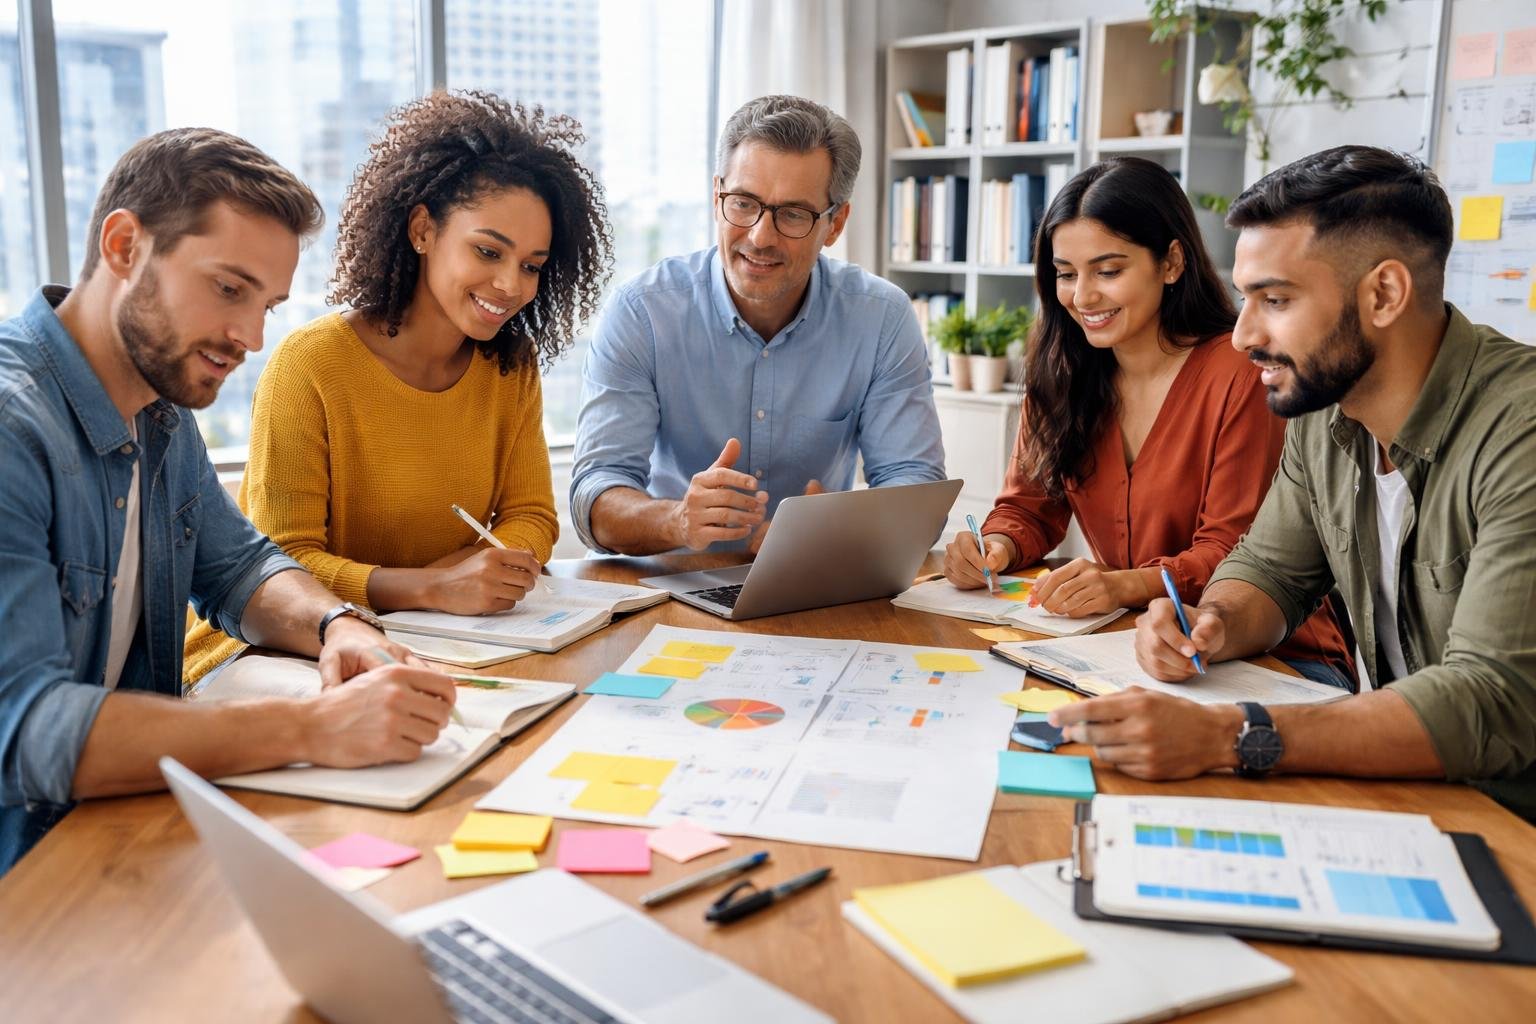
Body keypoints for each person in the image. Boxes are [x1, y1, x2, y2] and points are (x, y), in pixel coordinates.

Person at [0, 128, 457, 875]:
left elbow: (240, 568)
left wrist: (337, 626)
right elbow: (25, 733)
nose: (248, 336)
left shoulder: (160, 408)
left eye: (268, 305)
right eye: (228, 288)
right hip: (32, 880)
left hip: (139, 832)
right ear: (124, 247)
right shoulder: (12, 427)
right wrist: (312, 728)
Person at [1049, 146, 1536, 819]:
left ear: (1384, 294)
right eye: (1247, 299)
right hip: (1424, 794)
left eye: (1275, 299)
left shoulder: (1521, 432)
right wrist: (1208, 624)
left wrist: (1231, 735)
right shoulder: (1327, 414)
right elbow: (1270, 570)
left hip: (1510, 820)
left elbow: (1491, 699)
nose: (1245, 336)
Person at [182, 91, 612, 683]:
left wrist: (476, 576)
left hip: (436, 640)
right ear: (421, 231)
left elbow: (532, 516)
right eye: (488, 251)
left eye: (533, 265)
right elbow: (283, 567)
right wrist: (433, 587)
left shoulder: (511, 366)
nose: (511, 284)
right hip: (274, 654)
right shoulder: (309, 366)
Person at [943, 157, 1351, 688]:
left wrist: (1122, 585)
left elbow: (1235, 555)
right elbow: (1029, 508)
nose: (1083, 297)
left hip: (1276, 656)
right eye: (1066, 274)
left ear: (1172, 262)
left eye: (1108, 271)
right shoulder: (1060, 370)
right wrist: (994, 548)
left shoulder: (1241, 374)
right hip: (1133, 644)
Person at [570, 94, 945, 555]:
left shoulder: (881, 318)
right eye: (744, 203)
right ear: (716, 196)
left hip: (810, 587)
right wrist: (677, 521)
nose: (759, 237)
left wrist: (844, 531)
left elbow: (916, 484)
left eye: (792, 214)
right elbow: (595, 494)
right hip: (670, 583)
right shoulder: (642, 312)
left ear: (835, 223)